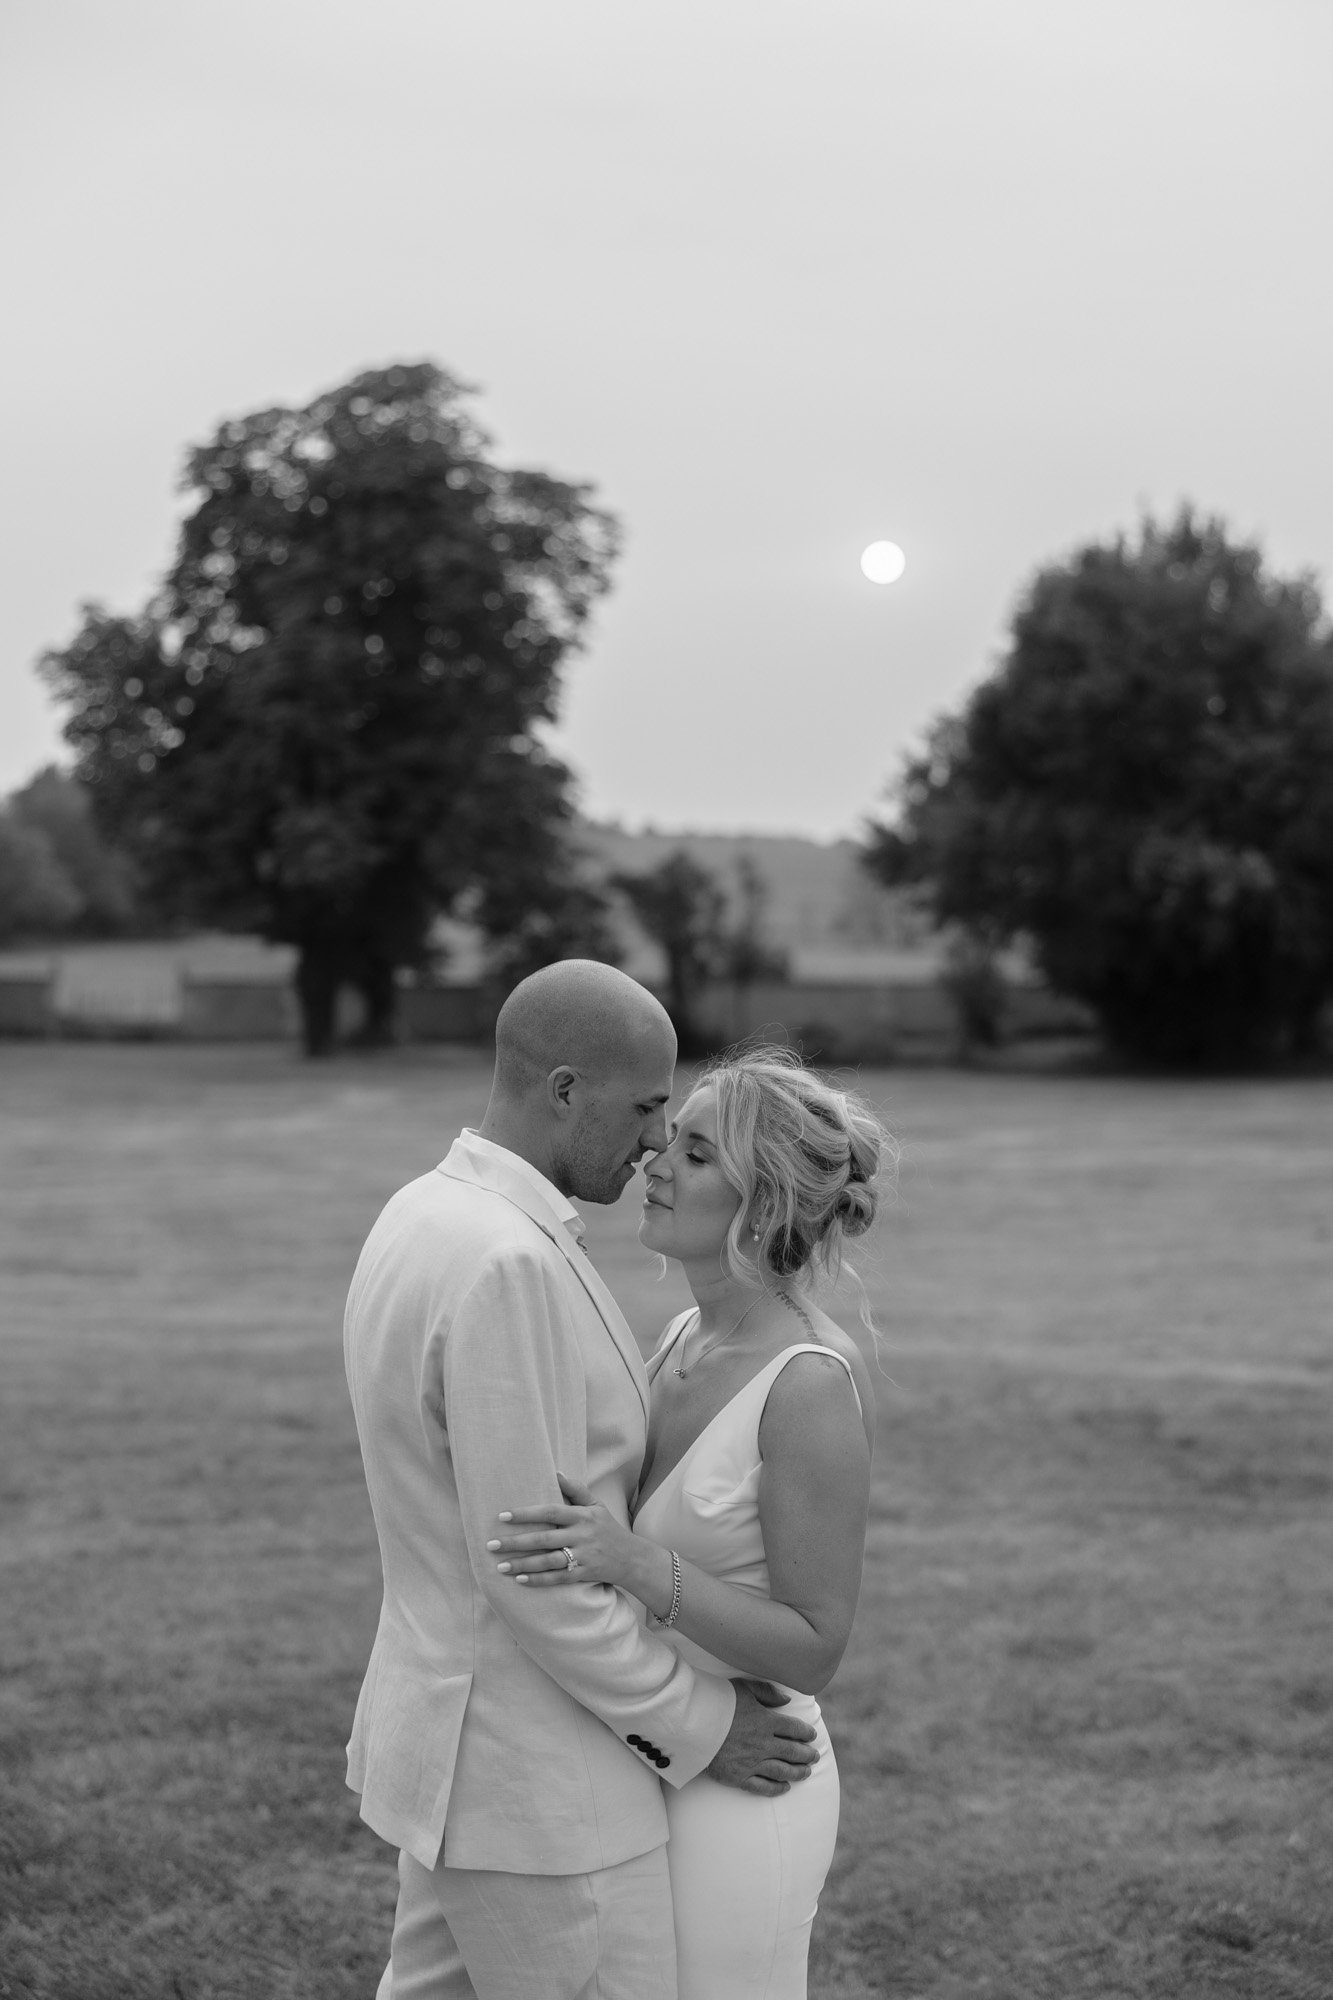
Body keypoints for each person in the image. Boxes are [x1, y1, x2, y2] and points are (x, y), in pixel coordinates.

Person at [342, 964, 820, 2000]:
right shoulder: (505, 1259)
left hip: (456, 1762)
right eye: (648, 1107)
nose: (654, 1140)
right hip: (542, 1792)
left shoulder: (421, 1210)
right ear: (565, 1090)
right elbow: (537, 1570)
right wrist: (702, 1722)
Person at [489, 1047, 889, 1999]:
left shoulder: (805, 1387)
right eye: (672, 1135)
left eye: (698, 1153)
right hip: (655, 1755)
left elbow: (814, 1647)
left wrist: (634, 1563)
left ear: (767, 1201)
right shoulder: (678, 1337)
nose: (656, 1160)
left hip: (752, 1789)